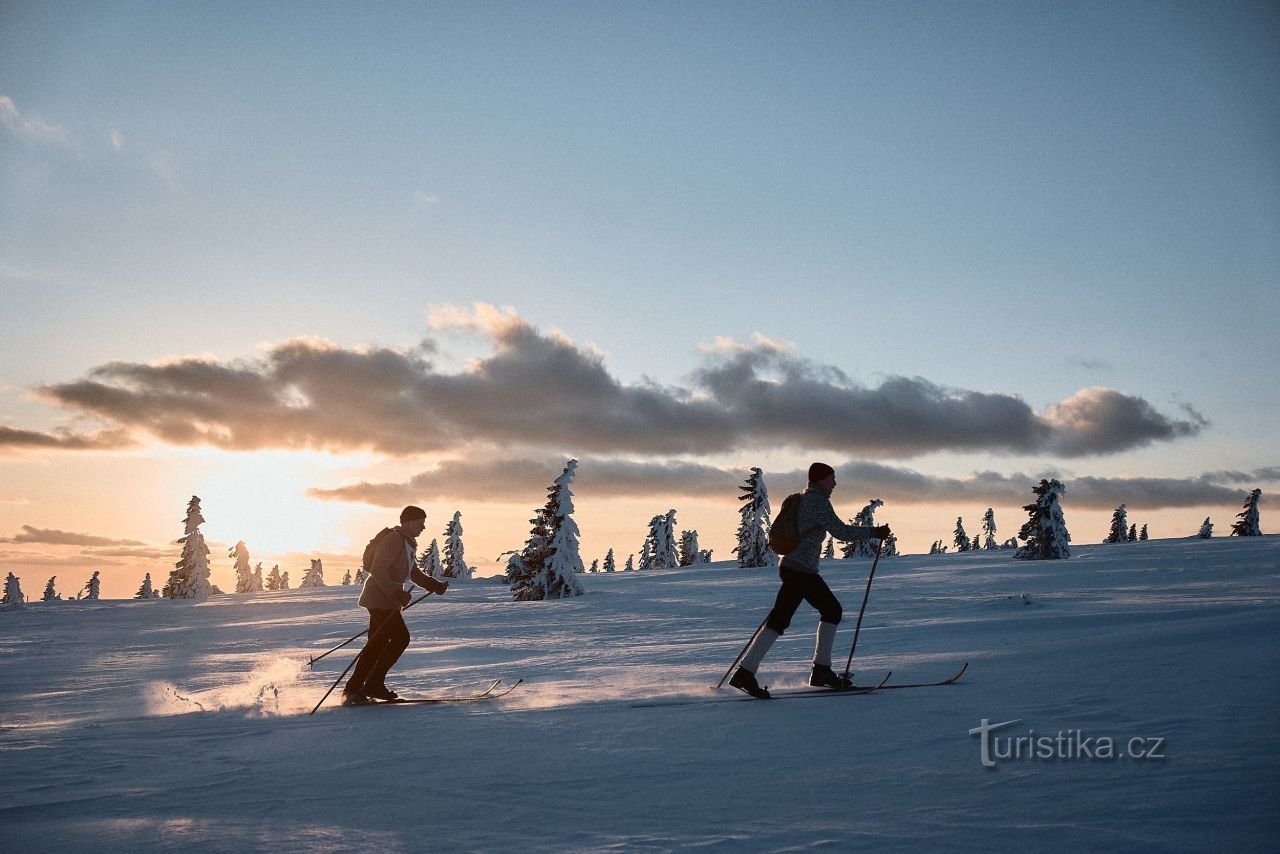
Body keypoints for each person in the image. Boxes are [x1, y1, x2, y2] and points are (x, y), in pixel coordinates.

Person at [730, 463, 891, 698]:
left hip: (797, 568)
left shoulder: (804, 499)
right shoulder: (817, 502)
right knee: (781, 619)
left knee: (829, 610)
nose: (834, 483)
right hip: (800, 570)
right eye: (831, 478)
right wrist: (874, 533)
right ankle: (746, 673)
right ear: (820, 480)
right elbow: (841, 532)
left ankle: (820, 671)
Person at [343, 506, 449, 705]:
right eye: (420, 522)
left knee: (377, 644)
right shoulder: (394, 539)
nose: (423, 527)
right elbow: (378, 569)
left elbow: (413, 572)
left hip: (386, 601)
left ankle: (356, 688)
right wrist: (396, 592)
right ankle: (367, 685)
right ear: (408, 522)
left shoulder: (408, 543)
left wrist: (433, 585)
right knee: (400, 638)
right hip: (378, 599)